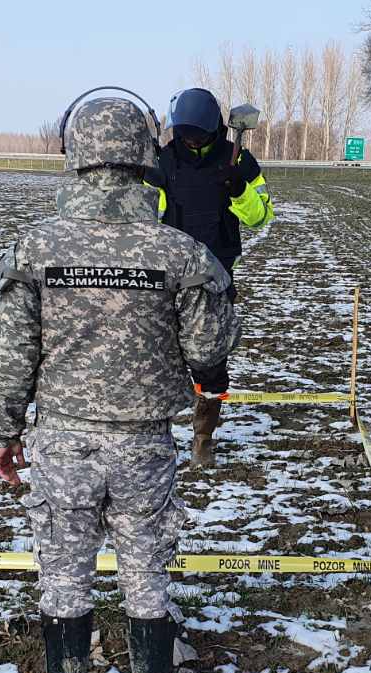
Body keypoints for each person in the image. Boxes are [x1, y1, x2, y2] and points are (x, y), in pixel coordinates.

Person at [0, 94, 240, 673]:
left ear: (77, 159)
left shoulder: (36, 249)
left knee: (63, 572)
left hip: (61, 439)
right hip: (146, 443)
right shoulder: (177, 253)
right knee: (146, 574)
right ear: (145, 160)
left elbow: (9, 355)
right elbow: (211, 349)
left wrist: (4, 432)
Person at [144, 88, 273, 468]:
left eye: (198, 134)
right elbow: (148, 218)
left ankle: (203, 436)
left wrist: (240, 191)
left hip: (214, 277)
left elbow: (260, 217)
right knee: (156, 357)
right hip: (167, 276)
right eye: (184, 134)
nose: (191, 141)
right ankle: (155, 434)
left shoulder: (240, 162)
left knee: (211, 362)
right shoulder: (163, 163)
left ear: (216, 129)